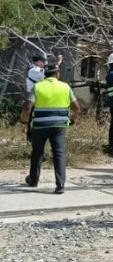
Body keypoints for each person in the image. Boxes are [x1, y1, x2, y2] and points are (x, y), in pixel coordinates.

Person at [20, 64, 80, 194]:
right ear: (57, 74)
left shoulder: (38, 87)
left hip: (39, 126)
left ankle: (33, 180)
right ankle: (60, 185)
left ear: (45, 75)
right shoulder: (65, 87)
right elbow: (76, 107)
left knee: (37, 153)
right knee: (59, 154)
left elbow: (27, 107)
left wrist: (23, 122)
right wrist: (73, 119)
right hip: (59, 126)